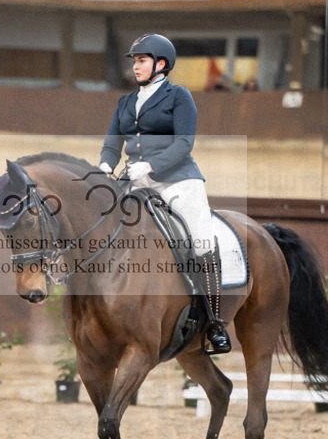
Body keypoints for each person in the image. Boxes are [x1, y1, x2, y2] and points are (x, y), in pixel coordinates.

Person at [99, 33, 231, 354]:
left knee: (200, 239)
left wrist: (150, 167)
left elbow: (184, 144)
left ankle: (214, 322)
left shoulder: (179, 96)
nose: (136, 67)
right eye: (134, 62)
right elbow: (112, 144)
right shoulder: (126, 102)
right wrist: (104, 168)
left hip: (178, 180)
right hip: (134, 180)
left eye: (142, 61)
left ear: (160, 64)